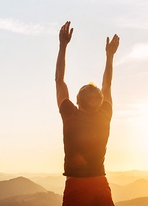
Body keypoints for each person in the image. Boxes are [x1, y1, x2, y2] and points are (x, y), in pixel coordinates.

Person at [55, 21, 120, 206]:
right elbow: (107, 84)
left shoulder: (70, 115)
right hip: (100, 183)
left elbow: (59, 80)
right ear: (100, 104)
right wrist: (109, 56)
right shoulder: (105, 115)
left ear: (76, 100)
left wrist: (63, 46)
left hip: (76, 186)